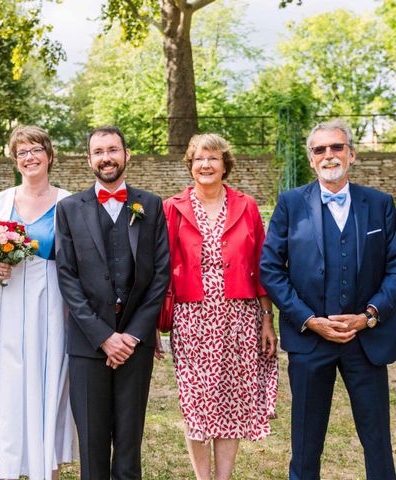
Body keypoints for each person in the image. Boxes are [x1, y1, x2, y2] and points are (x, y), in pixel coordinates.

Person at [260, 119, 396, 480]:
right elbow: (271, 269)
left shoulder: (380, 204)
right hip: (310, 339)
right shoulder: (290, 204)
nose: (328, 155)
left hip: (364, 339)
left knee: (377, 439)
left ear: (351, 154)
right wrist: (308, 319)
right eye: (319, 149)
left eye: (336, 147)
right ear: (311, 159)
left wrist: (369, 315)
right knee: (305, 442)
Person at [55, 125, 170, 480]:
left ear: (126, 154)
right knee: (91, 440)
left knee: (129, 438)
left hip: (136, 343)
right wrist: (103, 336)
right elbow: (67, 277)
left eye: (113, 150)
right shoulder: (69, 208)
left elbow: (160, 276)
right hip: (89, 344)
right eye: (99, 152)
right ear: (89, 159)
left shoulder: (150, 205)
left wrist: (134, 335)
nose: (106, 158)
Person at [162, 133, 278, 480]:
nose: (206, 164)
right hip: (193, 317)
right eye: (199, 158)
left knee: (231, 400)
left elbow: (261, 264)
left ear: (225, 164)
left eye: (213, 158)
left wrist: (267, 319)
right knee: (196, 403)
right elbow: (162, 267)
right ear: (190, 164)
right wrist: (157, 323)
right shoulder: (173, 207)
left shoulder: (247, 205)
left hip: (240, 317)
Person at [0, 125, 76, 480]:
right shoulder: (1, 201)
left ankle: (43, 464)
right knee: (8, 378)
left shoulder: (68, 201)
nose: (29, 157)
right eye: (22, 152)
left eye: (36, 150)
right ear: (15, 160)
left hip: (49, 300)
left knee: (47, 376)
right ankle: (12, 462)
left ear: (49, 155)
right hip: (4, 299)